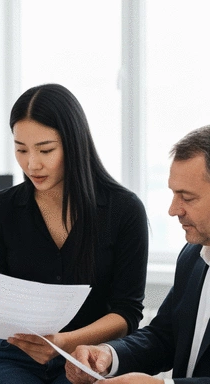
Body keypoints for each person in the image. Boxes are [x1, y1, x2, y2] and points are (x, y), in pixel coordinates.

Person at [0, 83, 149, 383]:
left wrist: (64, 342)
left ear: (74, 144)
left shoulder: (124, 210)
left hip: (87, 355)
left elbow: (127, 313)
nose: (32, 164)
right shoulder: (0, 210)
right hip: (12, 355)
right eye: (21, 150)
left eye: (46, 150)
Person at [65, 124, 210, 384]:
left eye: (186, 198)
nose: (173, 209)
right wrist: (108, 354)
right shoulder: (192, 258)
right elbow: (163, 338)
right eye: (173, 194)